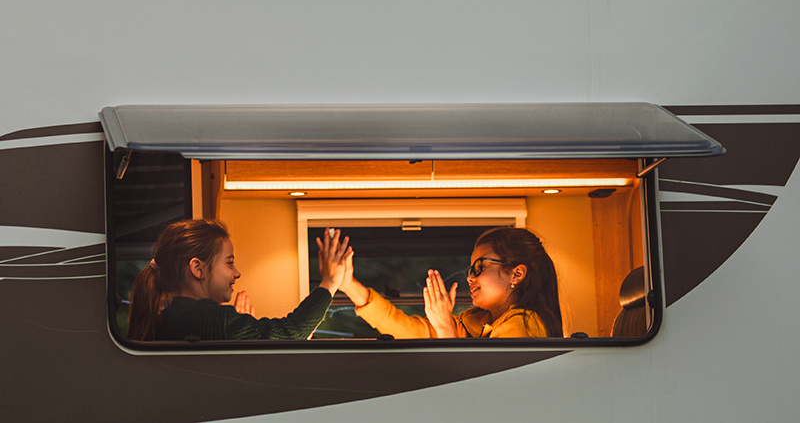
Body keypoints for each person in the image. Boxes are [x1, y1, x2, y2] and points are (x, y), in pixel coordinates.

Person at [127, 219, 351, 341]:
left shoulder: (176, 316)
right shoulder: (206, 317)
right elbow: (291, 334)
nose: (237, 273)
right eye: (229, 263)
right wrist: (329, 283)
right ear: (197, 268)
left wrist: (237, 334)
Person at [338, 226, 563, 338]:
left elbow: (480, 388)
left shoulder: (525, 325)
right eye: (471, 269)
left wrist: (445, 328)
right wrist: (348, 284)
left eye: (480, 267)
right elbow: (405, 328)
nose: (470, 277)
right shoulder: (473, 324)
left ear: (517, 274)